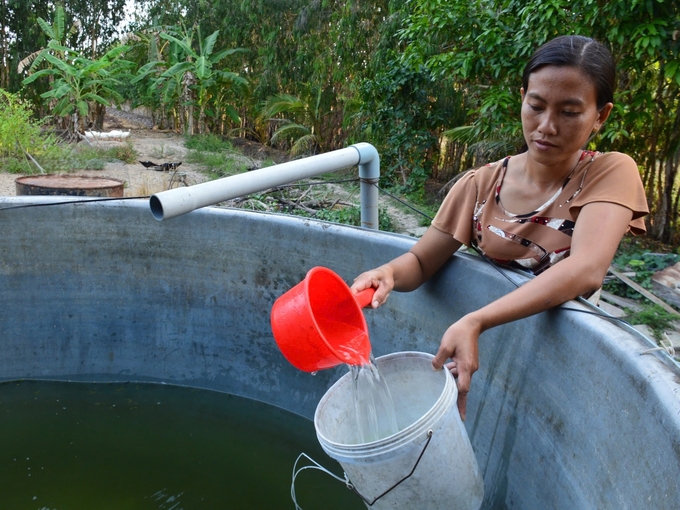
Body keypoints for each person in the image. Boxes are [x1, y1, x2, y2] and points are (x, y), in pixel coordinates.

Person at [350, 35, 649, 420]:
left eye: (569, 112)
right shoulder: (481, 184)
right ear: (522, 97)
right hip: (475, 351)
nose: (547, 126)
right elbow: (423, 263)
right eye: (536, 105)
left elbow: (586, 268)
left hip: (558, 364)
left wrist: (477, 320)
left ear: (601, 115)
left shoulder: (609, 173)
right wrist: (388, 272)